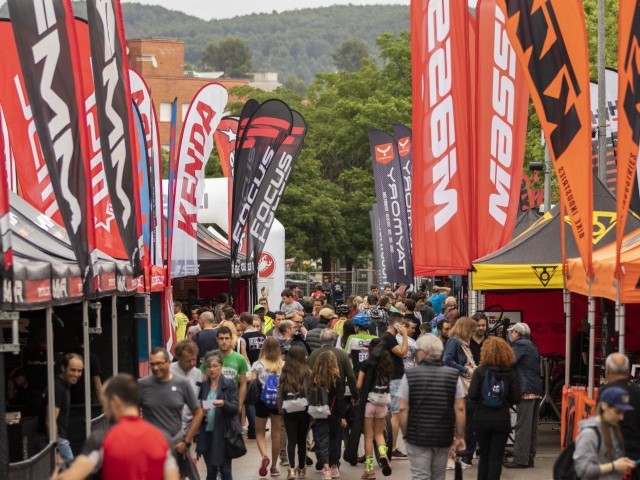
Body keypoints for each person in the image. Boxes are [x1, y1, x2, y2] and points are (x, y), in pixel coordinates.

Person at [52, 374, 179, 480]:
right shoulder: (164, 439)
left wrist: (57, 475)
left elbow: (70, 477)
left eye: (105, 403)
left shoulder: (102, 439)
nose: (104, 409)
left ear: (115, 402)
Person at [397, 334, 466, 480]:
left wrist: (406, 434)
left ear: (423, 352)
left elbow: (403, 408)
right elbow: (460, 408)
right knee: (438, 476)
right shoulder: (453, 375)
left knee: (420, 476)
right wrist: (460, 436)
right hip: (443, 435)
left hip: (417, 436)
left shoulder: (410, 375)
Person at [139, 347, 203, 475]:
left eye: (159, 363)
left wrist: (187, 441)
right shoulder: (142, 385)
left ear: (168, 363)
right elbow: (130, 414)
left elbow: (198, 412)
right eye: (152, 364)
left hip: (176, 449)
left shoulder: (182, 384)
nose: (156, 368)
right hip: (151, 449)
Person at [468, 337, 521, 480]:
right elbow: (516, 398)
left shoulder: (480, 371)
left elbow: (472, 394)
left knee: (484, 455)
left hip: (482, 418)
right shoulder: (509, 373)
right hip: (502, 418)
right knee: (496, 456)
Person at [573, 386, 637, 479]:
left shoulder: (613, 428)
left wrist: (622, 463)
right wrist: (614, 466)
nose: (621, 417)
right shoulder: (589, 434)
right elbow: (583, 470)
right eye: (617, 412)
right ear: (604, 405)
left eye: (623, 412)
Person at [504, 322, 543, 469]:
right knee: (531, 426)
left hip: (526, 388)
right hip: (535, 388)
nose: (511, 334)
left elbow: (509, 361)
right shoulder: (531, 344)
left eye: (512, 332)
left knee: (523, 426)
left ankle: (520, 459)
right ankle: (529, 457)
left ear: (517, 333)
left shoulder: (520, 344)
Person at [197, 350, 241, 480]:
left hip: (224, 434)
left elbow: (235, 408)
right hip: (207, 433)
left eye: (215, 366)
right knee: (211, 471)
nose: (211, 369)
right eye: (208, 366)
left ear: (221, 366)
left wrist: (224, 404)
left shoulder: (229, 384)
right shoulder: (203, 386)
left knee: (225, 470)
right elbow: (198, 406)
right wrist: (202, 411)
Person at [357, 339, 393, 479]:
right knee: (379, 434)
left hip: (369, 403)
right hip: (382, 403)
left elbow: (359, 385)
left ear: (371, 349)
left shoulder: (366, 364)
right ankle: (383, 454)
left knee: (369, 437)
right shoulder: (388, 364)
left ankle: (369, 470)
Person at [601, 353, 640, 479]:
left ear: (608, 371)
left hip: (612, 457)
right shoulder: (637, 391)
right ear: (628, 371)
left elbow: (601, 423)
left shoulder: (606, 392)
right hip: (635, 457)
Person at [309, 351, 347, 480]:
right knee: (334, 440)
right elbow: (340, 399)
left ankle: (326, 469)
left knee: (322, 440)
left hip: (319, 413)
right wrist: (343, 416)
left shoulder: (314, 378)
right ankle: (334, 466)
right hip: (333, 414)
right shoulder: (336, 379)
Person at [251, 336, 284, 477]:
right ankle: (274, 467)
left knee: (260, 433)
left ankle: (265, 456)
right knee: (276, 434)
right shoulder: (282, 364)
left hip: (261, 401)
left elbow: (253, 383)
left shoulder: (257, 365)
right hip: (277, 401)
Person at [278, 345, 312, 480]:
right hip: (304, 409)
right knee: (302, 441)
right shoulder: (308, 372)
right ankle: (302, 469)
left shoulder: (285, 372)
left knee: (291, 441)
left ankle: (291, 470)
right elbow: (311, 391)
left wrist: (280, 408)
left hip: (289, 409)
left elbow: (280, 391)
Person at [379, 311, 409, 460]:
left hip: (393, 377)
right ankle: (392, 448)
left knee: (392, 413)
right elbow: (403, 353)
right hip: (394, 378)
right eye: (402, 324)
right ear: (396, 324)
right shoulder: (389, 338)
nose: (404, 327)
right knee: (395, 414)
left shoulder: (389, 337)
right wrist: (405, 335)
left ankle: (388, 446)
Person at [49, 353, 84, 464]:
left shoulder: (63, 386)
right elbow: (50, 421)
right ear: (63, 368)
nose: (76, 374)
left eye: (79, 371)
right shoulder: (58, 388)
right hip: (57, 441)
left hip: (58, 441)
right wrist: (56, 451)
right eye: (73, 370)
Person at [169, 340, 202, 434]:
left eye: (194, 359)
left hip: (189, 427)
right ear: (179, 358)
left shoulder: (198, 374)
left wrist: (211, 404)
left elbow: (201, 400)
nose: (192, 363)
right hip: (169, 427)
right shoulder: (168, 371)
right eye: (188, 361)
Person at [217, 326, 248, 417]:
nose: (224, 341)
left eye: (227, 338)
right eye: (221, 338)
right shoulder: (210, 357)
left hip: (232, 402)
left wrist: (240, 405)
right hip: (213, 402)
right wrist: (206, 405)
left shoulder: (240, 359)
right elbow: (204, 381)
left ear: (231, 339)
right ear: (217, 339)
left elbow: (243, 384)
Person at [344, 312, 377, 377]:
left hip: (356, 372)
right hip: (371, 373)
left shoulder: (352, 338)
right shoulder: (375, 338)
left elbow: (346, 355)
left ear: (357, 327)